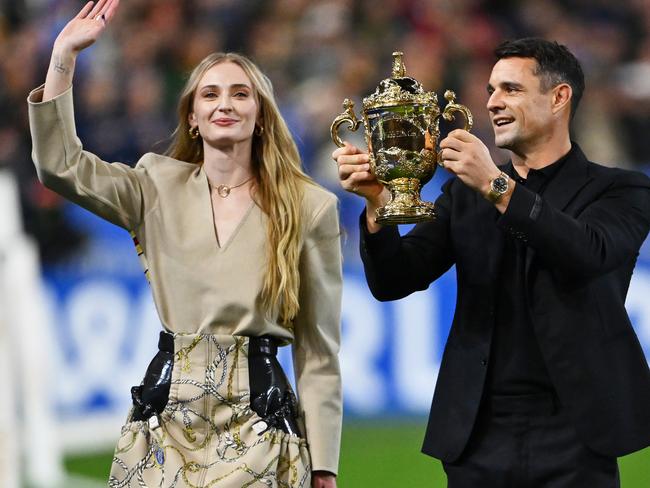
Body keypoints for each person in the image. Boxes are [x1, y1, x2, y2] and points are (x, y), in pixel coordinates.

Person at [28, 1, 342, 487]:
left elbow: (319, 351)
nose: (225, 104)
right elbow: (60, 166)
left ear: (260, 114)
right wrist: (64, 55)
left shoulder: (308, 205)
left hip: (260, 428)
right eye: (211, 94)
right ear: (192, 115)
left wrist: (324, 466)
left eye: (241, 94)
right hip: (163, 424)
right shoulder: (154, 184)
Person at [334, 37, 650, 487]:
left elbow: (587, 252)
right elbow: (394, 280)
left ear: (559, 98)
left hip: (577, 436)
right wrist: (376, 209)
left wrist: (497, 187)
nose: (494, 103)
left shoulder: (620, 191)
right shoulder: (466, 193)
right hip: (478, 435)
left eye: (511, 89)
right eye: (490, 91)